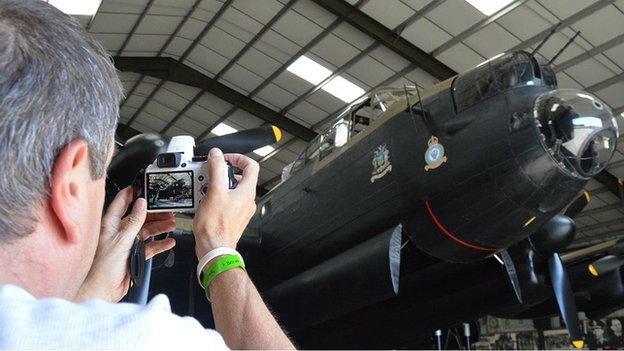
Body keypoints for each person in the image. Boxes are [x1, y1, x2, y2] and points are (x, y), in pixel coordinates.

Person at [0, 0, 294, 349]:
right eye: (101, 172)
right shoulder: (146, 339)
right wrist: (219, 248)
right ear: (70, 184)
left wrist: (94, 292)